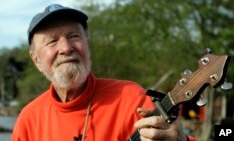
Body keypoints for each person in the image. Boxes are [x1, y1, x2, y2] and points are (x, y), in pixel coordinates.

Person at [11, 4, 196, 141]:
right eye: (52, 41)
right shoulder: (28, 120)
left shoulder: (131, 98)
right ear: (36, 60)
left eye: (74, 36)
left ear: (86, 43)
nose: (66, 48)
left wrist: (181, 140)